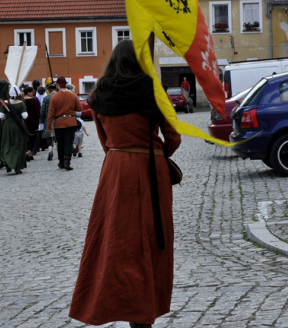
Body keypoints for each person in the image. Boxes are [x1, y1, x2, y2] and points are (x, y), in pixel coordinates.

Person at [69, 40, 181, 328]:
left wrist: (123, 153)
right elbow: (174, 138)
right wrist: (156, 155)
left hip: (116, 170)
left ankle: (123, 305)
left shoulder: (100, 95)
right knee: (149, 239)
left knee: (117, 242)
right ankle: (144, 309)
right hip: (150, 168)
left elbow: (106, 143)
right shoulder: (154, 91)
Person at [47, 76, 82, 171]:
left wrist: (49, 125)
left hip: (58, 123)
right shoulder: (73, 95)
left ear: (58, 85)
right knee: (68, 142)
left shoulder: (54, 97)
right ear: (65, 84)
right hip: (70, 122)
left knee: (60, 143)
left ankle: (61, 162)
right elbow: (80, 108)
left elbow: (51, 113)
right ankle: (67, 162)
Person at [0, 83, 29, 174]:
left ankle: (8, 163)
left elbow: (1, 115)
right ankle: (17, 168)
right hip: (18, 126)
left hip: (7, 125)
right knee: (18, 146)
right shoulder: (21, 103)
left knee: (7, 144)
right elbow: (25, 116)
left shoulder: (4, 103)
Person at [22, 86, 41, 161]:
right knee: (33, 138)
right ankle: (28, 151)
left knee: (27, 138)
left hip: (24, 122)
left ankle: (30, 154)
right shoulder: (33, 100)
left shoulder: (21, 100)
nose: (33, 93)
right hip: (32, 122)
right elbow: (37, 112)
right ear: (28, 92)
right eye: (32, 92)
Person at [39, 84, 56, 160]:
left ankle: (50, 150)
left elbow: (43, 110)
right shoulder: (59, 97)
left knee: (49, 136)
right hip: (58, 119)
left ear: (50, 90)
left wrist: (41, 119)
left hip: (48, 119)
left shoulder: (46, 98)